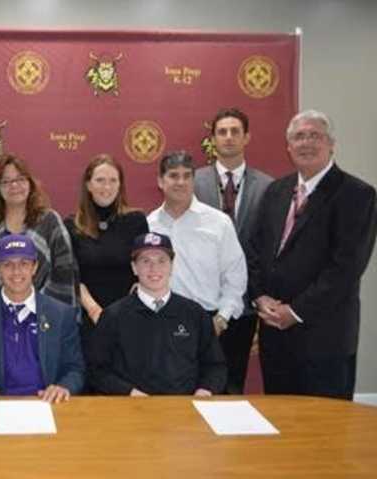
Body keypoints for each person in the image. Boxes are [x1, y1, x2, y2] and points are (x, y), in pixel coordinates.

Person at [248, 110, 377, 400]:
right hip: (275, 333)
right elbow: (256, 250)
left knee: (324, 431)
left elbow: (346, 268)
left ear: (332, 144)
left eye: (314, 135)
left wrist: (294, 312)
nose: (306, 143)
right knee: (279, 426)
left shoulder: (357, 195)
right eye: (298, 136)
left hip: (324, 338)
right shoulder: (276, 191)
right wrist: (260, 297)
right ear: (288, 146)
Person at [148, 151, 247, 391]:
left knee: (213, 401)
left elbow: (236, 276)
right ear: (160, 181)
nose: (180, 182)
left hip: (211, 324)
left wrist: (221, 319)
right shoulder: (149, 224)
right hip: (161, 325)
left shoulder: (218, 223)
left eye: (186, 176)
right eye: (173, 176)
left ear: (194, 180)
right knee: (167, 403)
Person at [0, 234, 84, 404]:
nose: (16, 271)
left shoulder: (61, 314)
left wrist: (64, 387)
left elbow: (75, 369)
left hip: (47, 405)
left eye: (24, 264)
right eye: (7, 264)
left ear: (35, 267)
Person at [194, 108, 273, 394]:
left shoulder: (268, 187)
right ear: (213, 139)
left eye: (235, 131)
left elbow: (269, 245)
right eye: (222, 132)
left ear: (247, 137)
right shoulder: (192, 182)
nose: (228, 138)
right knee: (196, 378)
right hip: (199, 298)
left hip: (245, 300)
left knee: (233, 379)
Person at [89, 232, 226, 395]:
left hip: (184, 408)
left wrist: (206, 389)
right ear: (134, 267)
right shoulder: (113, 316)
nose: (154, 268)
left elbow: (215, 365)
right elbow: (97, 370)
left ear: (172, 265)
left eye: (162, 260)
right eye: (146, 261)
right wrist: (128, 392)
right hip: (132, 409)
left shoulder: (195, 314)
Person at [0, 153, 77, 314]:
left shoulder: (49, 222)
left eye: (20, 179)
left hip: (42, 320)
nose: (14, 186)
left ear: (30, 183)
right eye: (6, 182)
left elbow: (64, 273)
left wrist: (43, 313)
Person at [64, 154, 148, 348]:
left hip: (130, 318)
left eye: (113, 180)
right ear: (88, 185)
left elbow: (144, 270)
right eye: (100, 180)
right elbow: (71, 278)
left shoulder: (136, 220)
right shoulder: (71, 225)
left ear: (120, 185)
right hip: (88, 318)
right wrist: (96, 313)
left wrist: (123, 312)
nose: (107, 187)